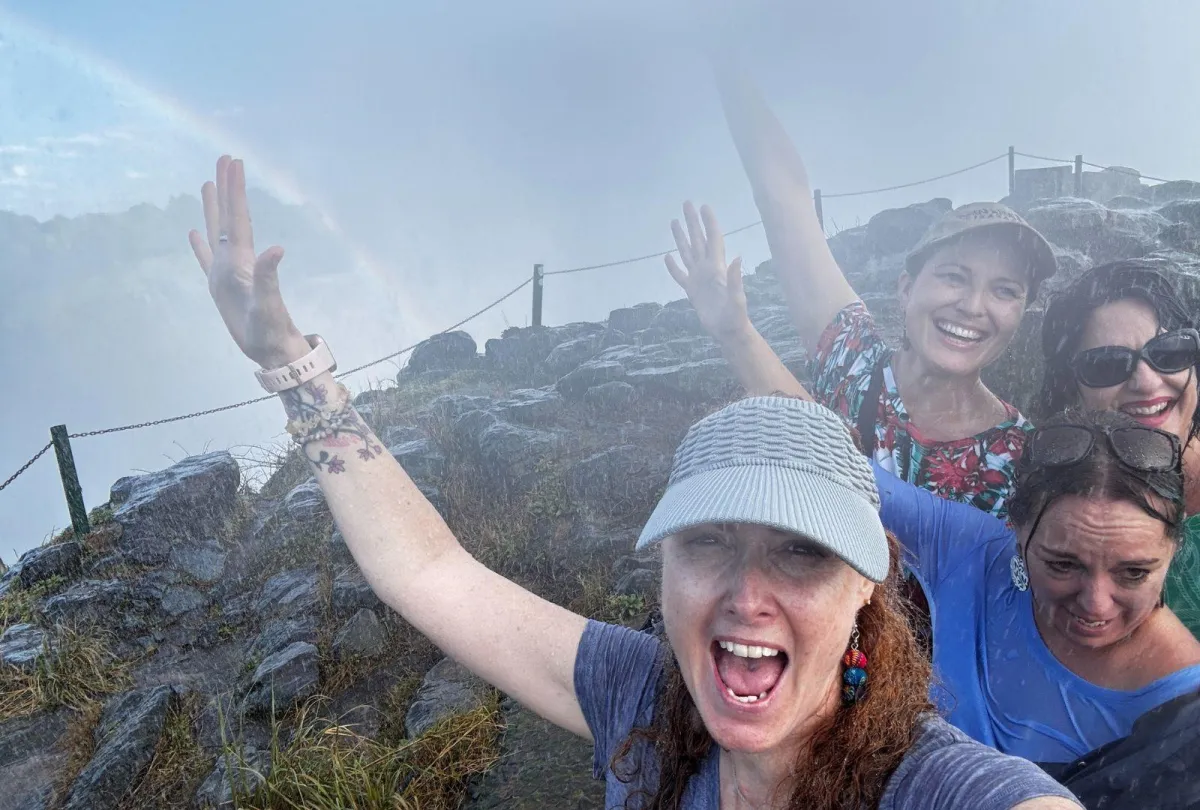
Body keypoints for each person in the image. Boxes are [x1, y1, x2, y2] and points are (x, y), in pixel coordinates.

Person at [188, 155, 1080, 810]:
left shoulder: (930, 782)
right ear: (661, 570)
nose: (746, 595)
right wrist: (291, 366)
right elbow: (432, 574)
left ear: (865, 588)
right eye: (708, 543)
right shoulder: (639, 697)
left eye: (802, 554)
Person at [673, 64, 1057, 522]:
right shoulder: (852, 359)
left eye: (1004, 290)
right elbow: (784, 195)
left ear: (1021, 312)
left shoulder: (1025, 458)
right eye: (954, 276)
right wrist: (725, 56)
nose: (973, 306)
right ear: (906, 288)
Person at [872, 406, 1200, 770]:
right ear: (1017, 528)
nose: (1096, 604)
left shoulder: (1185, 711)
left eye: (1134, 572)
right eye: (1063, 565)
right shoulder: (970, 551)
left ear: (1173, 551)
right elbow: (834, 468)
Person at [1037, 259, 1200, 636]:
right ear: (1069, 388)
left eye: (1169, 352)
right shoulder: (1045, 495)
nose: (1146, 382)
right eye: (1106, 364)